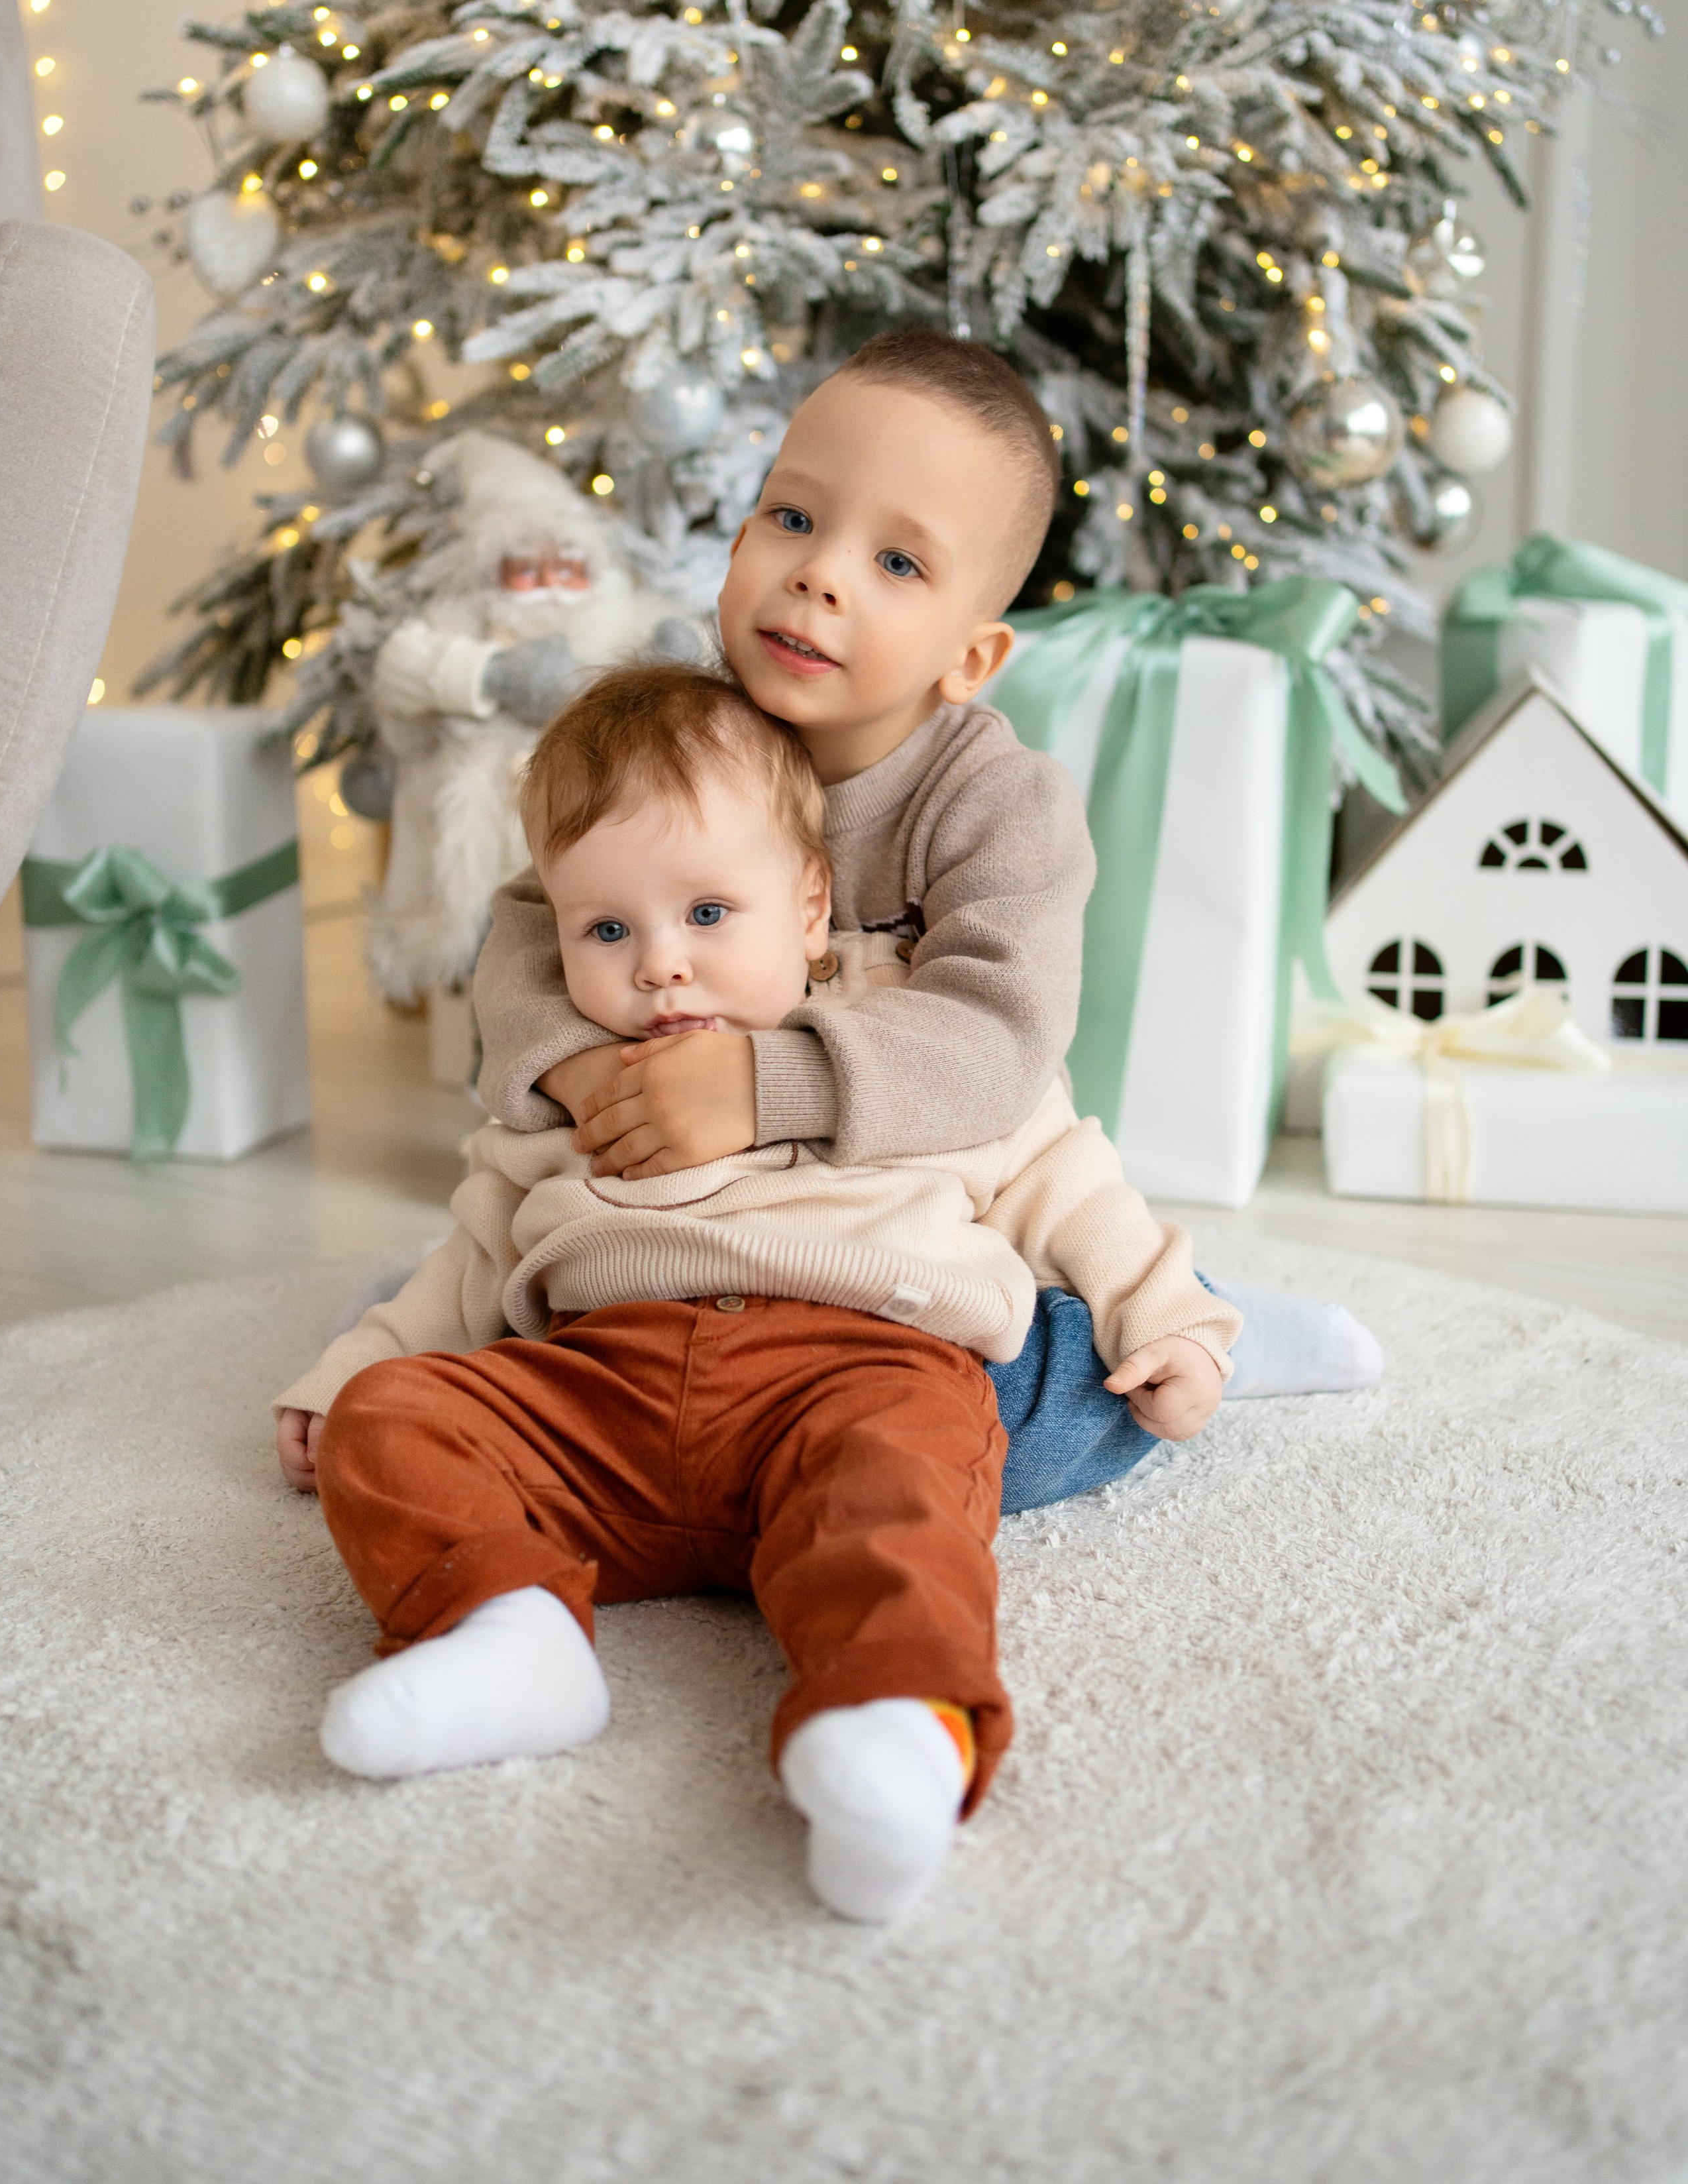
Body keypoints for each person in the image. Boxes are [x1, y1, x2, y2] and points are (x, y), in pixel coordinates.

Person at [276, 665, 1242, 1923]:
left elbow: (1069, 1182)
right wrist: (355, 1369)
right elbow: (475, 1251)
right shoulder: (581, 1086)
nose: (661, 968)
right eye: (607, 932)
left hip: (855, 1375)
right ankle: (510, 1635)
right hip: (604, 1393)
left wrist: (1170, 1317)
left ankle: (894, 1730)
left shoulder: (908, 1048)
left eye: (709, 914)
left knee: (902, 1505)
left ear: (810, 908)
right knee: (400, 1419)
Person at [464, 326, 1379, 1515]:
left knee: (1033, 1419)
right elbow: (533, 930)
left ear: (974, 655)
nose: (820, 575)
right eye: (793, 519)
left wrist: (760, 1083)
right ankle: (450, 1316)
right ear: (738, 542)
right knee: (531, 1320)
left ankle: (1199, 1328)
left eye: (899, 564)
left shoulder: (1000, 807)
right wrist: (595, 1081)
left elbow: (999, 1041)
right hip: (701, 1240)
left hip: (917, 1235)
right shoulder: (665, 749)